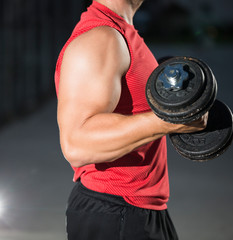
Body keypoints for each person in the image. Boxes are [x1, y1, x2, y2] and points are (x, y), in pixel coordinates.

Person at [55, 0, 208, 239]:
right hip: (114, 210)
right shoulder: (100, 38)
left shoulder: (123, 33)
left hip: (144, 208)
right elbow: (77, 142)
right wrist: (170, 120)